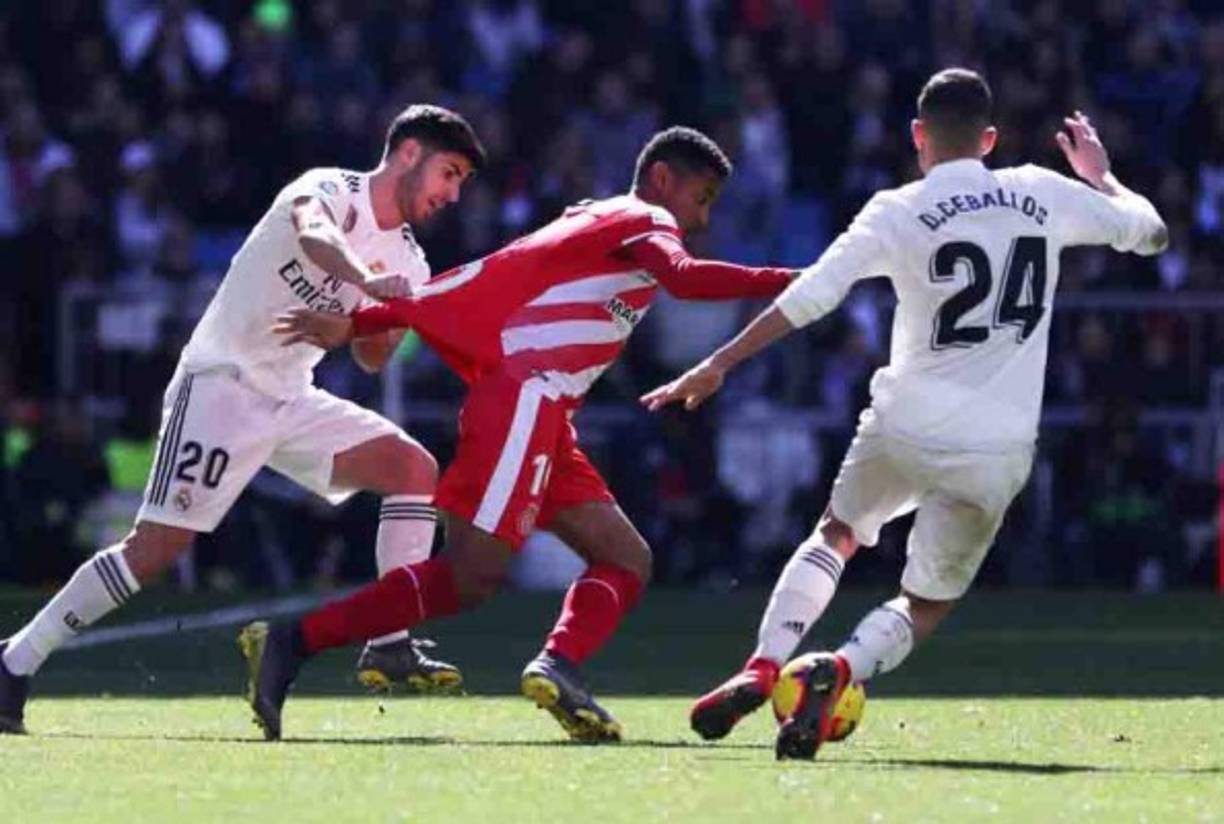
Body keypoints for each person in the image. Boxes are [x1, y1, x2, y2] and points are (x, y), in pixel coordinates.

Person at [642, 68, 1168, 760]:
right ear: (989, 138)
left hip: (905, 424)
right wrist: (1102, 178)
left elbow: (812, 295)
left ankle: (765, 664)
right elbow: (1153, 234)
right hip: (997, 448)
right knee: (925, 600)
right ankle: (844, 669)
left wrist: (721, 363)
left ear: (918, 136)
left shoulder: (896, 208)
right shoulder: (1043, 193)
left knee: (837, 533)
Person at [245, 126, 795, 742]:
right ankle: (293, 641)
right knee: (468, 577)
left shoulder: (599, 219)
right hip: (524, 400)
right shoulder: (644, 218)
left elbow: (486, 279)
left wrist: (358, 323)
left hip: (546, 415)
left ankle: (557, 664)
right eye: (703, 196)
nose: (702, 216)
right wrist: (796, 279)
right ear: (664, 179)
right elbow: (686, 280)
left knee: (625, 558)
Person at [0, 104, 486, 734]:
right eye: (449, 174)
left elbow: (370, 357)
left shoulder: (413, 260)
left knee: (413, 468)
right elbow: (315, 236)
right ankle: (15, 660)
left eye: (461, 184)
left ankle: (389, 640)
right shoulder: (327, 189)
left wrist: (390, 317)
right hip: (222, 385)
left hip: (291, 395)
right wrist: (369, 281)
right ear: (410, 154)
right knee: (155, 551)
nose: (451, 194)